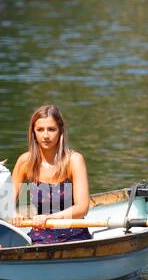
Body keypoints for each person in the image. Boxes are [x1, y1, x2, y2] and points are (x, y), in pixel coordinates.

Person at [12, 104, 90, 244]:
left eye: (51, 129)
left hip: (74, 235)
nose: (46, 135)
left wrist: (50, 218)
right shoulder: (25, 161)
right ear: (33, 132)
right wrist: (13, 214)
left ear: (60, 131)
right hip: (39, 236)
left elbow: (82, 208)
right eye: (40, 130)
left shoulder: (74, 160)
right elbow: (4, 204)